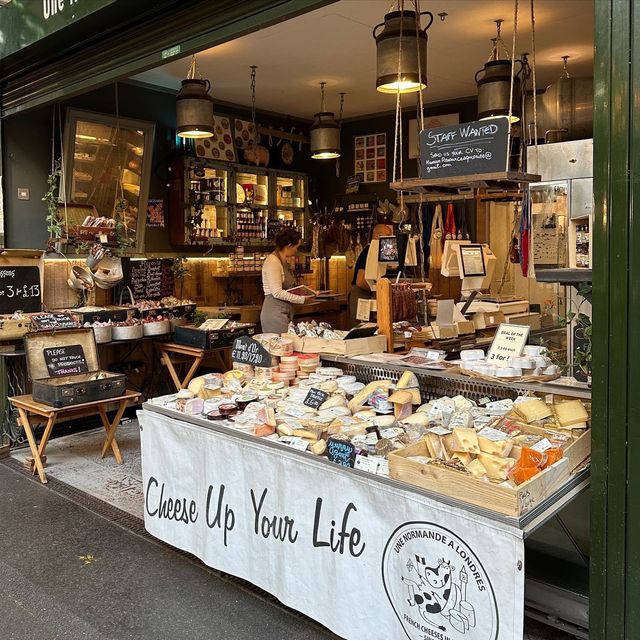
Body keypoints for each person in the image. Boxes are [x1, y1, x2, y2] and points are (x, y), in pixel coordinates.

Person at [260, 228, 315, 334]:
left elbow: (288, 287)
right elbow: (277, 292)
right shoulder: (273, 262)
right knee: (280, 348)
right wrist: (302, 299)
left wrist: (305, 291)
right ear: (289, 246)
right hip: (274, 314)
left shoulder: (283, 261)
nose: (296, 250)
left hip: (284, 312)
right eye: (296, 247)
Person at [348, 223, 393, 327]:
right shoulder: (368, 252)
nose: (390, 240)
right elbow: (360, 281)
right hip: (361, 295)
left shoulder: (382, 253)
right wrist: (378, 290)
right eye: (387, 236)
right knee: (360, 330)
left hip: (371, 294)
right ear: (377, 236)